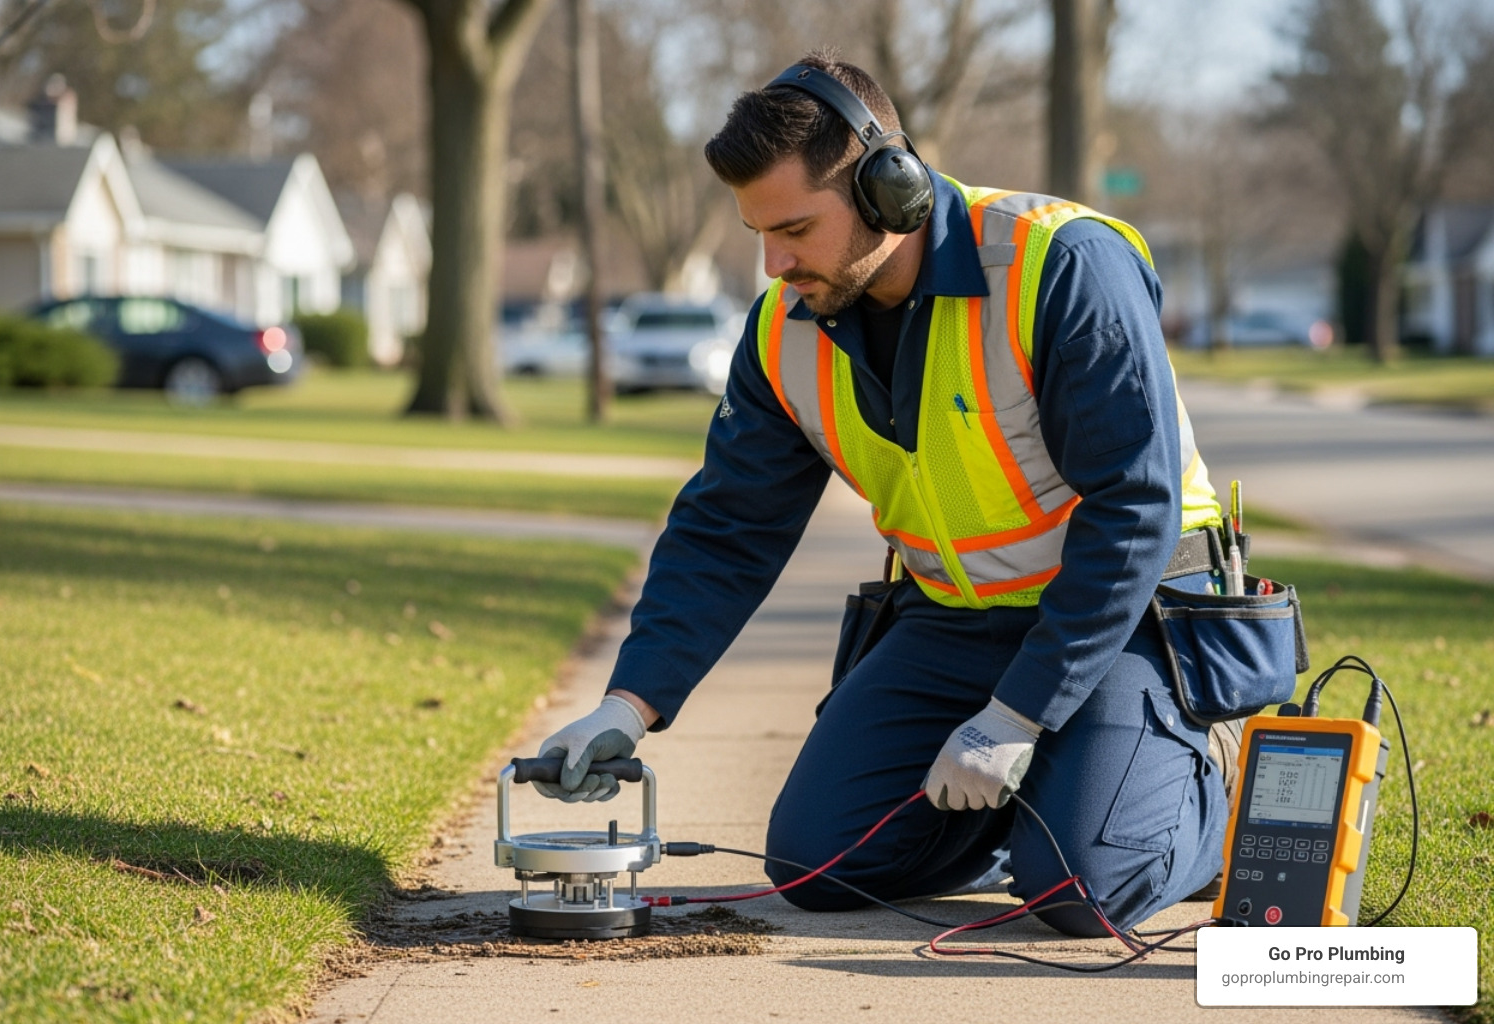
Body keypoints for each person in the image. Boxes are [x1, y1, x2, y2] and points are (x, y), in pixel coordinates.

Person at [531, 50, 1241, 937]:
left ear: (889, 191)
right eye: (757, 232)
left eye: (793, 229)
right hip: (954, 623)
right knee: (818, 864)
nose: (771, 263)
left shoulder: (1058, 266)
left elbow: (1135, 512)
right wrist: (626, 705)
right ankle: (1047, 800)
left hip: (1127, 615)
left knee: (1080, 891)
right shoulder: (782, 332)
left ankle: (1206, 778)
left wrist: (1019, 712)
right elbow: (728, 526)